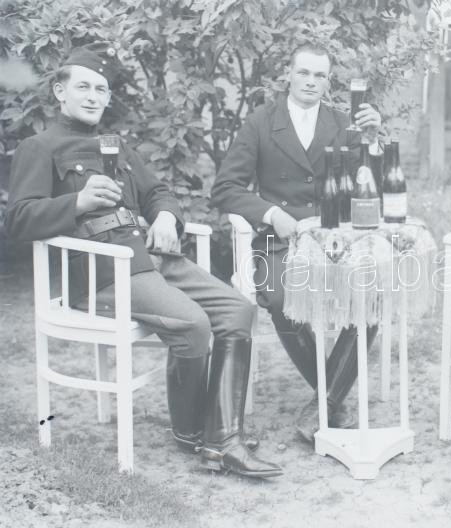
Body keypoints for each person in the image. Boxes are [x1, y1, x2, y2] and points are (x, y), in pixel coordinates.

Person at [4, 42, 281, 479]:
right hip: (101, 272)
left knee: (239, 309)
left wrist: (167, 215)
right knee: (194, 323)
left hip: (148, 258)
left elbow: (157, 192)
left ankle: (219, 435)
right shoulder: (39, 147)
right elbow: (17, 219)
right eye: (83, 87)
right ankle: (201, 435)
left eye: (101, 89)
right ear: (60, 91)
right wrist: (77, 201)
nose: (93, 96)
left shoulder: (116, 146)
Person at [210, 45, 383, 442]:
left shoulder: (344, 123)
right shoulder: (260, 122)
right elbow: (225, 188)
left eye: (319, 75)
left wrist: (372, 141)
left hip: (335, 239)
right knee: (278, 298)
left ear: (328, 81)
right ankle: (332, 398)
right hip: (281, 240)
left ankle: (325, 403)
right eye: (303, 72)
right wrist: (272, 214)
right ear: (288, 74)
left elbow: (369, 185)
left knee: (372, 294)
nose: (310, 82)